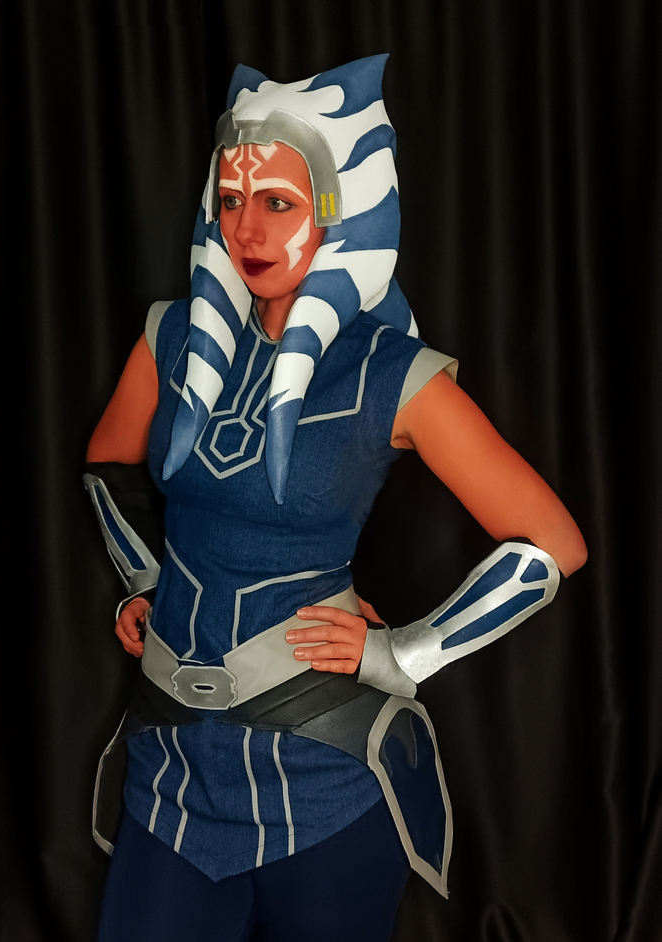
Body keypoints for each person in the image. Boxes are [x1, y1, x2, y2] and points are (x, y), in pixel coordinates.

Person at [85, 56, 586, 942]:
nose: (248, 227)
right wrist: (143, 579)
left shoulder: (393, 376)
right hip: (170, 764)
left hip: (322, 773)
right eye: (231, 200)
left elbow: (551, 542)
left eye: (278, 202)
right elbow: (109, 467)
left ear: (336, 208)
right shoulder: (170, 338)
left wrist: (403, 653)